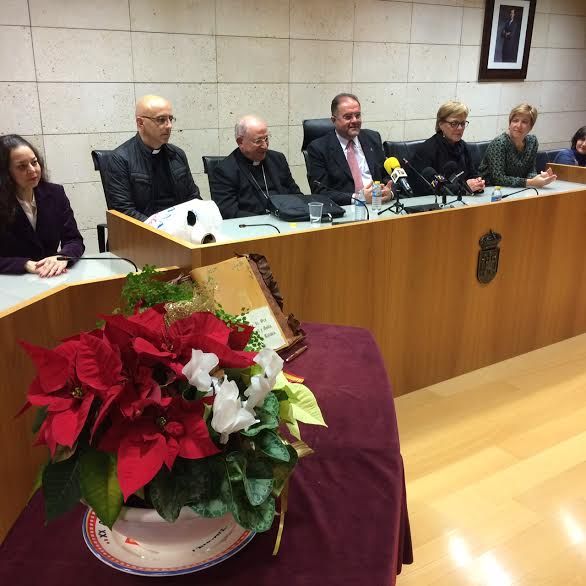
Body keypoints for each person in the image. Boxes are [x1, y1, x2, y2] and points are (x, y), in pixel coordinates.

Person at [0, 135, 84, 276]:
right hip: (11, 281)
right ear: (5, 172)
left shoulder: (55, 193)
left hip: (52, 278)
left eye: (34, 162)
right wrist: (25, 264)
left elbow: (74, 240)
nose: (32, 170)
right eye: (22, 166)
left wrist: (62, 257)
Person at [108, 95, 200, 221]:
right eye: (161, 120)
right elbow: (124, 211)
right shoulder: (120, 159)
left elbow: (193, 197)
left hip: (180, 227)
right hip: (144, 230)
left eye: (170, 119)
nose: (169, 126)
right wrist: (159, 228)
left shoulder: (177, 155)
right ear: (140, 123)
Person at [307, 93, 392, 205]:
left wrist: (390, 192)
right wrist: (359, 198)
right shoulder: (318, 148)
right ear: (333, 120)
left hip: (379, 205)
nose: (355, 121)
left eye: (358, 115)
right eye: (348, 117)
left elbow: (388, 176)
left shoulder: (372, 138)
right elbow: (320, 192)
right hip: (346, 208)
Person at [211, 115, 302, 219]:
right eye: (258, 141)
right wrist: (267, 221)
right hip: (252, 226)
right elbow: (229, 213)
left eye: (266, 139)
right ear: (240, 142)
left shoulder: (278, 159)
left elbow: (296, 195)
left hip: (288, 221)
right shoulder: (225, 171)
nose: (265, 146)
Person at [412, 101, 485, 195]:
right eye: (454, 123)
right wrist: (463, 189)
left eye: (463, 123)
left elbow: (472, 174)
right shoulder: (427, 150)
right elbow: (427, 188)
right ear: (441, 124)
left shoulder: (463, 147)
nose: (460, 128)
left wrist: (477, 183)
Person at [479, 103, 557, 188]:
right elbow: (498, 179)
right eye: (515, 120)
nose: (519, 125)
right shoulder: (500, 143)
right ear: (510, 123)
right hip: (491, 189)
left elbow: (531, 170)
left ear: (531, 127)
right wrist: (531, 182)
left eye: (524, 122)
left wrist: (539, 177)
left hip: (517, 189)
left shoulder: (532, 142)